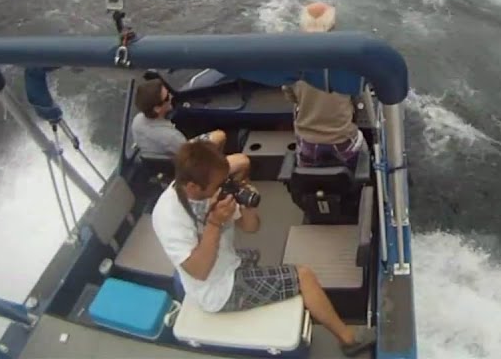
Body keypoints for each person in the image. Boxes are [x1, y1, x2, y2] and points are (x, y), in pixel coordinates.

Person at [152, 141, 376, 356]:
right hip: (217, 291)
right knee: (304, 276)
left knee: (254, 255)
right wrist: (214, 223)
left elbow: (252, 227)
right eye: (218, 185)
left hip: (227, 263)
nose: (222, 188)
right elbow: (199, 271)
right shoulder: (168, 215)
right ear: (192, 186)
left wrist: (244, 196)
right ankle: (348, 339)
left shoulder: (211, 186)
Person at [283, 2, 367, 170]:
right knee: (364, 148)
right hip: (343, 142)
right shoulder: (348, 61)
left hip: (308, 144)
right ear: (333, 26)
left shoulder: (290, 62)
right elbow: (357, 95)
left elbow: (290, 97)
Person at [132, 77, 250, 181]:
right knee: (243, 161)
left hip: (169, 163)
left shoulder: (137, 121)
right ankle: (220, 180)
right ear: (157, 108)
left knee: (219, 136)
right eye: (167, 97)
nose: (172, 97)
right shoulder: (171, 137)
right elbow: (193, 159)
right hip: (191, 171)